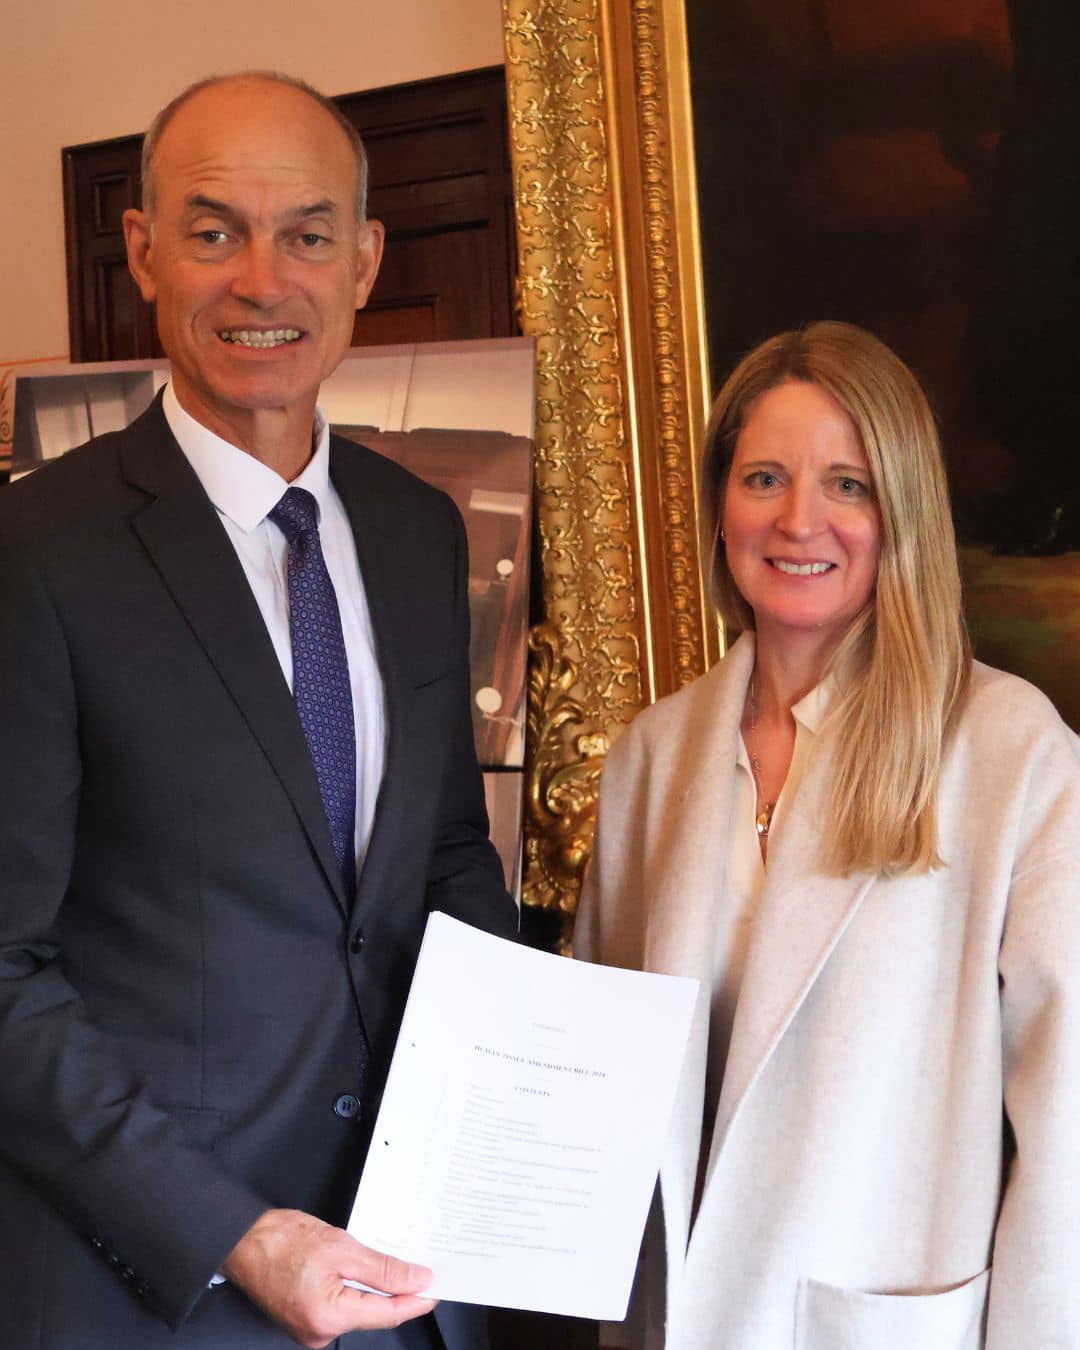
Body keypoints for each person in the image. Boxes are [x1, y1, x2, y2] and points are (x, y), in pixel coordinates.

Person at [0, 72, 518, 1350]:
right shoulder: (34, 549)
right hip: (155, 1291)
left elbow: (444, 858)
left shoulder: (414, 531)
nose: (261, 280)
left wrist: (529, 1085)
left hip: (406, 1282)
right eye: (214, 228)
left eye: (307, 234)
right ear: (144, 252)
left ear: (364, 260)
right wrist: (235, 1232)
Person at [576, 321, 1080, 1349]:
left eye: (847, 484)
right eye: (764, 477)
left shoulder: (1012, 752)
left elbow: (1070, 1131)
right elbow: (601, 1076)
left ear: (903, 509)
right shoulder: (651, 758)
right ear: (721, 507)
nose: (800, 519)